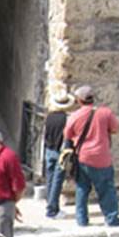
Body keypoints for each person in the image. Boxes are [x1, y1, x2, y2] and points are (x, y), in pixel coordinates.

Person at [63, 85, 119, 227]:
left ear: (79, 100)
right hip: (102, 157)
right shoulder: (105, 113)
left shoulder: (74, 116)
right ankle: (111, 218)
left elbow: (68, 135)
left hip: (82, 157)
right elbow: (115, 129)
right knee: (106, 189)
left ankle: (82, 220)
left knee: (82, 189)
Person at [42, 88, 75, 219]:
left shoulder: (49, 117)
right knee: (57, 180)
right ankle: (52, 209)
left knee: (50, 178)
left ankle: (50, 204)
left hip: (49, 150)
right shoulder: (67, 119)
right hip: (60, 152)